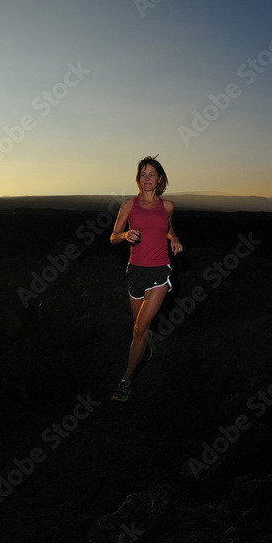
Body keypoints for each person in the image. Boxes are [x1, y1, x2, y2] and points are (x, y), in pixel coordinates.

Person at [109, 156, 183, 401]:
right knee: (139, 326)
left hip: (159, 270)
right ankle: (146, 342)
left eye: (152, 174)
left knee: (139, 329)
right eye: (143, 174)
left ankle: (125, 380)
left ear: (160, 178)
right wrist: (126, 234)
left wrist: (173, 238)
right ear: (138, 178)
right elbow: (113, 236)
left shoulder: (168, 206)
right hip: (135, 271)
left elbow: (168, 227)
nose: (147, 178)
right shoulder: (129, 204)